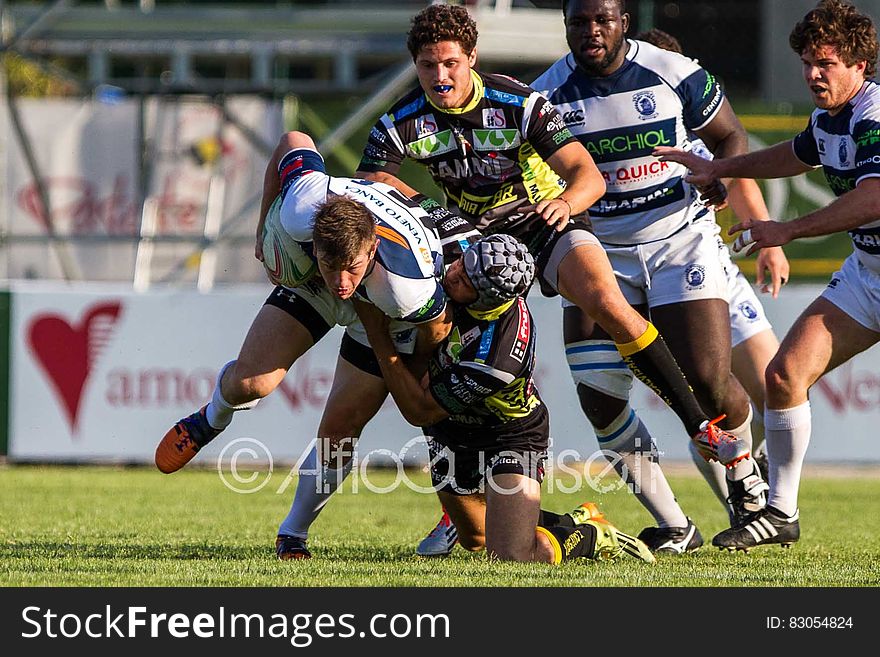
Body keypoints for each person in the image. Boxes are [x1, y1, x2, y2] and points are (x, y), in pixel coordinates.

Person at [357, 3, 752, 556]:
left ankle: (702, 426)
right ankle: (461, 505)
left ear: (472, 58)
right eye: (427, 66)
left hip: (545, 220)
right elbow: (369, 192)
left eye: (450, 62)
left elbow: (587, 176)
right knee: (443, 351)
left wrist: (564, 203)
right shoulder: (398, 121)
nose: (440, 77)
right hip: (470, 242)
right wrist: (418, 219)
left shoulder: (518, 102)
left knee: (605, 300)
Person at [518, 0, 780, 553]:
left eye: (601, 21)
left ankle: (746, 478)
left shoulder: (675, 72)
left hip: (679, 241)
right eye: (578, 22)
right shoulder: (543, 96)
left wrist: (719, 174)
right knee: (599, 398)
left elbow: (732, 136)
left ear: (623, 23)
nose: (590, 32)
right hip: (597, 252)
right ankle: (674, 525)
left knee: (707, 380)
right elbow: (532, 177)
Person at [153, 131, 459, 560]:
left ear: (371, 249)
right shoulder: (302, 208)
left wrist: (404, 366)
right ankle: (210, 419)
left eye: (350, 268)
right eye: (330, 265)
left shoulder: (406, 286)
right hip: (321, 284)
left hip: (387, 316)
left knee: (340, 430)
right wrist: (263, 227)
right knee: (251, 383)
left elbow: (437, 328)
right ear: (314, 244)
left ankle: (292, 533)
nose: (341, 282)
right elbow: (292, 140)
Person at [656, 0, 880, 550]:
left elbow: (875, 197)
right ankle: (779, 512)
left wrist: (787, 230)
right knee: (783, 376)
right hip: (868, 272)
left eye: (825, 63)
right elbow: (797, 154)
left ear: (859, 64)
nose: (812, 74)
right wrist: (721, 167)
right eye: (807, 62)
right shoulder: (830, 119)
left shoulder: (873, 115)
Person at [355, 231, 655, 563]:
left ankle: (589, 535)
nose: (453, 273)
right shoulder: (468, 260)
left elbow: (420, 411)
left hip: (509, 434)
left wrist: (376, 334)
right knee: (475, 538)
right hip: (451, 430)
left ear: (487, 300)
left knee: (511, 555)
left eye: (466, 280)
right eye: (461, 264)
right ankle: (541, 520)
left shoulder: (498, 356)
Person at [634, 27, 786, 525]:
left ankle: (758, 480)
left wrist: (769, 239)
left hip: (717, 268)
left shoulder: (695, 113)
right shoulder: (619, 124)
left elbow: (736, 169)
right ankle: (739, 507)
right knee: (708, 401)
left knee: (774, 385)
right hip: (663, 277)